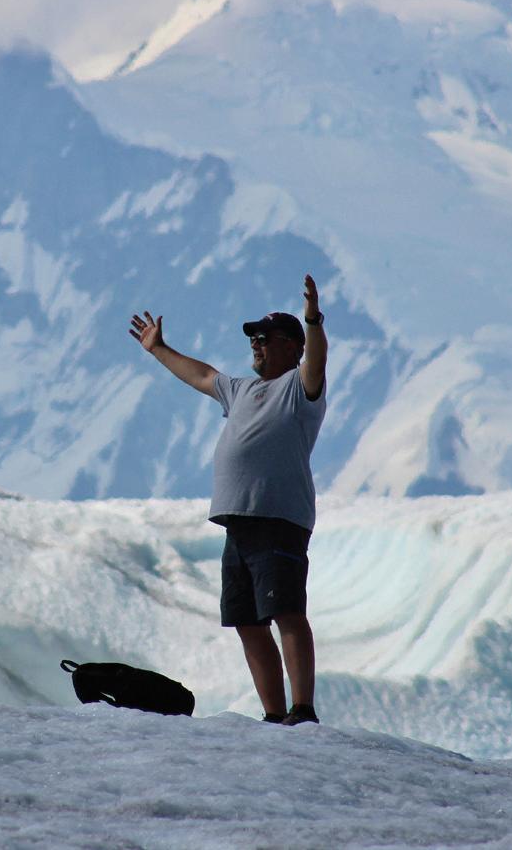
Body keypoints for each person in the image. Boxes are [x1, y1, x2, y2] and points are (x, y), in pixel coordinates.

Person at [130, 275, 327, 725]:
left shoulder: (300, 387)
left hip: (278, 519)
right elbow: (201, 375)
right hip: (238, 523)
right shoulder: (240, 389)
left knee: (287, 611)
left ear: (291, 347)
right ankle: (274, 714)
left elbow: (317, 361)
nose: (255, 344)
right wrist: (159, 349)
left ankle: (302, 708)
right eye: (253, 338)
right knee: (247, 621)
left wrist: (313, 321)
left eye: (265, 338)